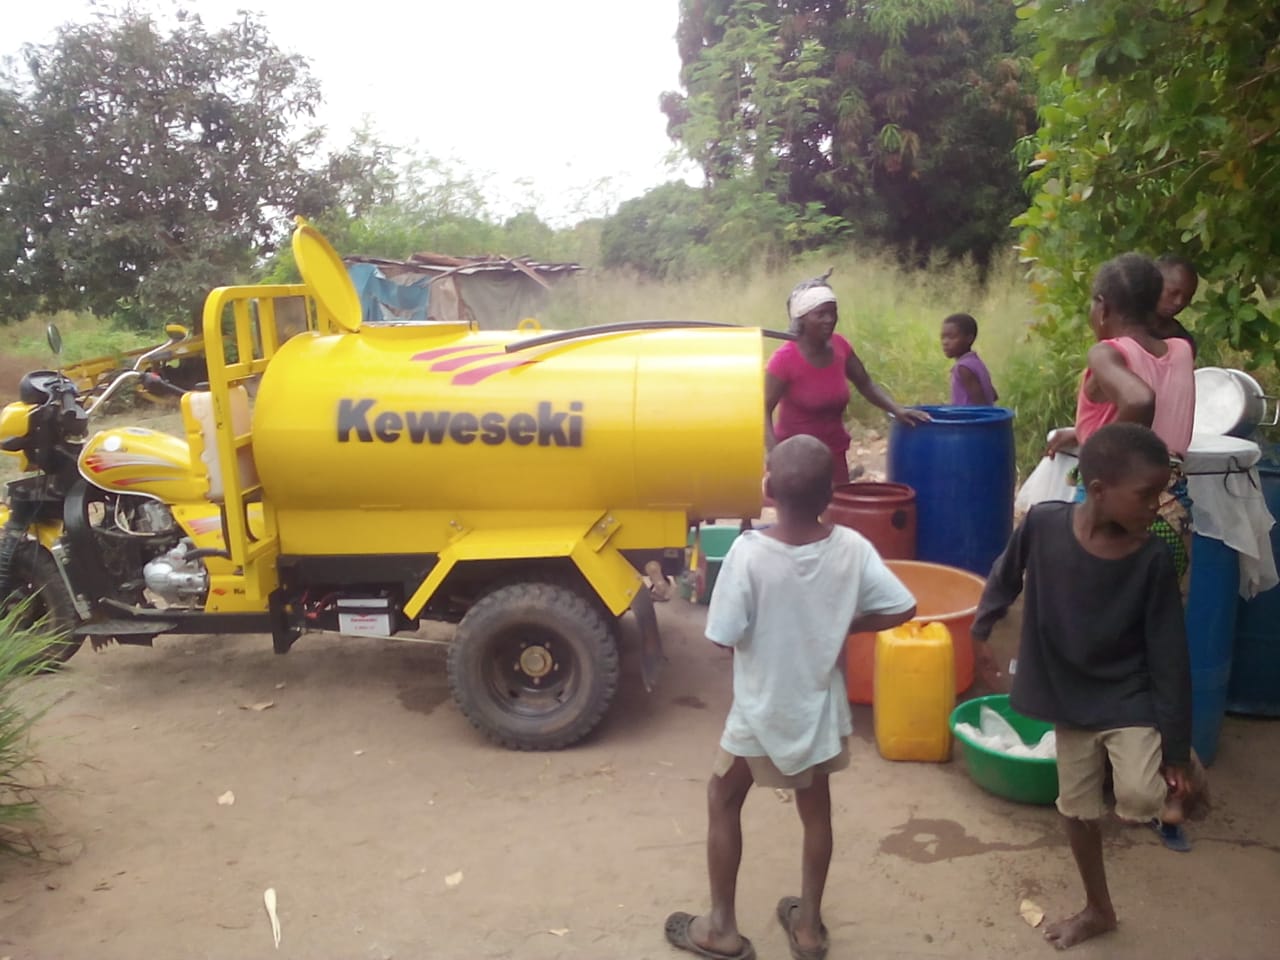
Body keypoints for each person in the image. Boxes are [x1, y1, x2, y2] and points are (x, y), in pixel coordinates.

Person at [663, 435, 916, 960]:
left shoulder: (749, 554)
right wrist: (843, 623)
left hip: (760, 710)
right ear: (832, 495)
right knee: (816, 810)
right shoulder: (851, 548)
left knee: (723, 798)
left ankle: (722, 930)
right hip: (818, 707)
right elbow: (903, 607)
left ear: (768, 490)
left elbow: (721, 634)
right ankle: (807, 930)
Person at [971, 423, 1192, 951]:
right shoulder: (1045, 525)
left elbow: (1169, 655)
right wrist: (982, 626)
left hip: (1129, 693)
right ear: (1097, 491)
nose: (1156, 506)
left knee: (1140, 796)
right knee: (1078, 809)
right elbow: (1006, 573)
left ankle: (1181, 772)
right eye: (1145, 495)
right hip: (1069, 698)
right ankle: (1099, 908)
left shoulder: (1153, 558)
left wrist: (1178, 751)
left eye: (1160, 493)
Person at [765, 275, 929, 486]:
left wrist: (896, 409)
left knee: (838, 512)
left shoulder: (840, 346)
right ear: (801, 318)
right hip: (797, 457)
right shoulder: (784, 359)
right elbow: (763, 409)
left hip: (834, 452)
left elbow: (865, 383)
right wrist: (775, 453)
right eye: (821, 314)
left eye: (833, 312)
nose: (830, 319)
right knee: (803, 516)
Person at [940, 312, 998, 406]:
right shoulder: (975, 362)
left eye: (951, 337)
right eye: (943, 337)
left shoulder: (963, 368)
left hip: (971, 420)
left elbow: (981, 406)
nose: (945, 342)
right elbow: (993, 395)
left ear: (969, 339)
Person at [1154, 255, 1199, 358]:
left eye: (1187, 297)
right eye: (1173, 293)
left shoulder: (1183, 342)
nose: (1179, 302)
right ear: (1153, 283)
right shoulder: (1118, 324)